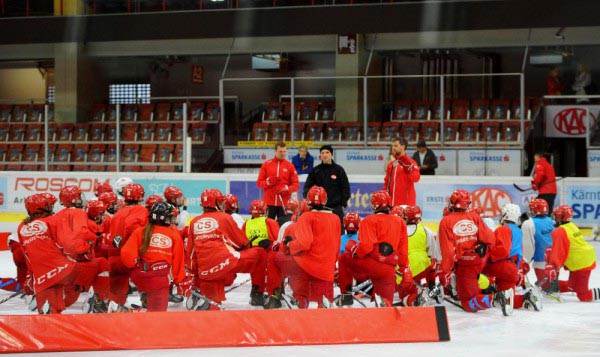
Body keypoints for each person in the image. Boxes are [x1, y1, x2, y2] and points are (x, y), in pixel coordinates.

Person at [187, 189, 267, 308]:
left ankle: (203, 296)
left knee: (213, 305)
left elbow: (191, 253)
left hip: (206, 272)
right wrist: (250, 247)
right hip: (226, 262)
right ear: (216, 203)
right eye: (221, 202)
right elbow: (241, 243)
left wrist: (195, 279)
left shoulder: (194, 222)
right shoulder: (224, 217)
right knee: (260, 253)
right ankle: (257, 294)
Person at [264, 186, 341, 309]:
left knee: (275, 258)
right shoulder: (336, 219)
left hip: (306, 267)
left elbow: (304, 244)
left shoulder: (306, 217)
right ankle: (311, 301)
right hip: (326, 270)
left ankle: (276, 296)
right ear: (325, 200)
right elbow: (337, 247)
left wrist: (289, 245)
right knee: (324, 306)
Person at [437, 189, 512, 314]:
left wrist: (445, 271)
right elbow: (490, 239)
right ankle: (485, 292)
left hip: (465, 265)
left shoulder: (446, 221)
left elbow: (448, 252)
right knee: (467, 290)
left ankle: (495, 299)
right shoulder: (474, 217)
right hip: (477, 262)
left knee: (467, 302)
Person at [337, 190, 409, 307]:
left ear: (374, 205)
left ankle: (346, 295)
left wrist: (355, 251)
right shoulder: (400, 222)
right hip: (389, 270)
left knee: (344, 257)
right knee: (385, 306)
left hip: (371, 265)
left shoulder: (368, 220)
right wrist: (404, 268)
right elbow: (403, 252)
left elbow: (366, 247)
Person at [17, 194, 78, 314]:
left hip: (42, 277)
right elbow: (67, 245)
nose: (51, 207)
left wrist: (31, 277)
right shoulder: (54, 220)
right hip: (62, 270)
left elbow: (27, 255)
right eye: (49, 205)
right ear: (41, 207)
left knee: (49, 312)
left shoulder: (21, 227)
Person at [121, 202, 185, 312]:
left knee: (150, 307)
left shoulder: (140, 231)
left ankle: (137, 308)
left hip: (140, 278)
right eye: (170, 217)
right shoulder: (173, 235)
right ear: (163, 218)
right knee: (157, 316)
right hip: (160, 280)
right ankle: (132, 313)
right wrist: (178, 281)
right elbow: (178, 263)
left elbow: (126, 254)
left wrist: (136, 268)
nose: (171, 219)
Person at [545, 205, 600, 302]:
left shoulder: (559, 231)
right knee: (571, 287)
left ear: (562, 217)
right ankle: (548, 286)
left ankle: (548, 286)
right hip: (582, 258)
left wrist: (553, 265)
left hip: (582, 262)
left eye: (556, 216)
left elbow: (559, 251)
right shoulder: (572, 225)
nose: (554, 218)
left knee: (584, 296)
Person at [107, 183, 148, 309]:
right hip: (130, 255)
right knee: (147, 281)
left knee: (117, 292)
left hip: (114, 255)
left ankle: (113, 309)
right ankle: (148, 305)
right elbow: (132, 226)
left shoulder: (119, 212)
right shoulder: (140, 210)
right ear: (140, 196)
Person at [396, 205, 441, 306]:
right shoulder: (425, 230)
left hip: (404, 269)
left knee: (405, 295)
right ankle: (431, 285)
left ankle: (412, 299)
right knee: (431, 262)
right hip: (422, 267)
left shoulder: (398, 230)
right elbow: (433, 253)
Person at [303, 145, 350, 231]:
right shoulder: (315, 171)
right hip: (319, 208)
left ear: (331, 154)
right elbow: (307, 188)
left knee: (338, 232)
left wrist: (343, 204)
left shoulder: (339, 170)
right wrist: (309, 202)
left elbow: (345, 188)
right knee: (320, 231)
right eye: (322, 153)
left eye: (327, 152)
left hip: (336, 208)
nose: (325, 155)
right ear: (320, 156)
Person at [257, 141, 300, 221]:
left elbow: (296, 185)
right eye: (280, 151)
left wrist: (286, 188)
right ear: (275, 151)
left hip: (284, 204)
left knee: (283, 226)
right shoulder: (266, 164)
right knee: (268, 227)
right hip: (269, 203)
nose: (283, 154)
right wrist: (268, 182)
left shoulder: (290, 166)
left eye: (284, 151)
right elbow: (259, 183)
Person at [521, 198, 555, 289]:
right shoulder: (552, 221)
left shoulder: (528, 223)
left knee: (546, 288)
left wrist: (525, 261)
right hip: (554, 261)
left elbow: (528, 246)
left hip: (540, 261)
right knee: (550, 284)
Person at [383, 137, 421, 206]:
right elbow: (386, 182)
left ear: (403, 146)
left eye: (396, 146)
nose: (393, 148)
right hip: (392, 204)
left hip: (406, 205)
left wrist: (408, 169)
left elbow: (416, 178)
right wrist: (385, 196)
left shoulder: (411, 162)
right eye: (392, 146)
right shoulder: (391, 164)